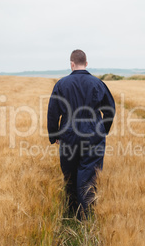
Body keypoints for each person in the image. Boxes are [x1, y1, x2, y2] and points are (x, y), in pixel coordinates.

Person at [47, 49, 115, 218]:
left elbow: (53, 112)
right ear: (86, 63)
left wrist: (54, 135)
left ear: (71, 64)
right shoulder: (98, 84)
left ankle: (71, 209)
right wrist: (103, 130)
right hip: (93, 133)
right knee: (89, 172)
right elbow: (110, 110)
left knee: (69, 171)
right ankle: (86, 214)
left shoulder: (61, 84)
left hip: (69, 133)